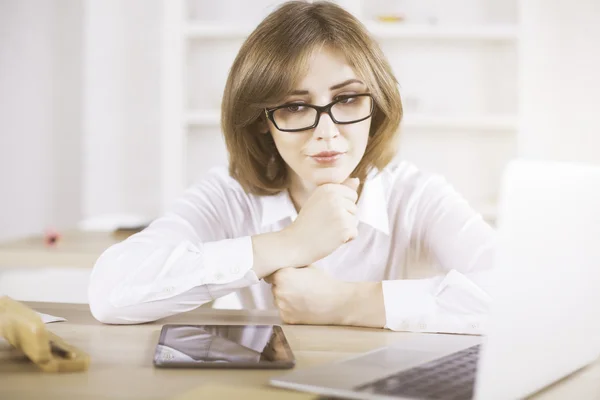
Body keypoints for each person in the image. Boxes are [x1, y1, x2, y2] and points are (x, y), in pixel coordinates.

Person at [88, 0, 496, 334]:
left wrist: (349, 303)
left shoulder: (414, 196)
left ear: (377, 107)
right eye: (295, 106)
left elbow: (529, 296)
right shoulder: (229, 196)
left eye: (349, 99)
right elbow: (112, 290)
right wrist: (291, 242)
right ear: (264, 123)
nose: (327, 131)